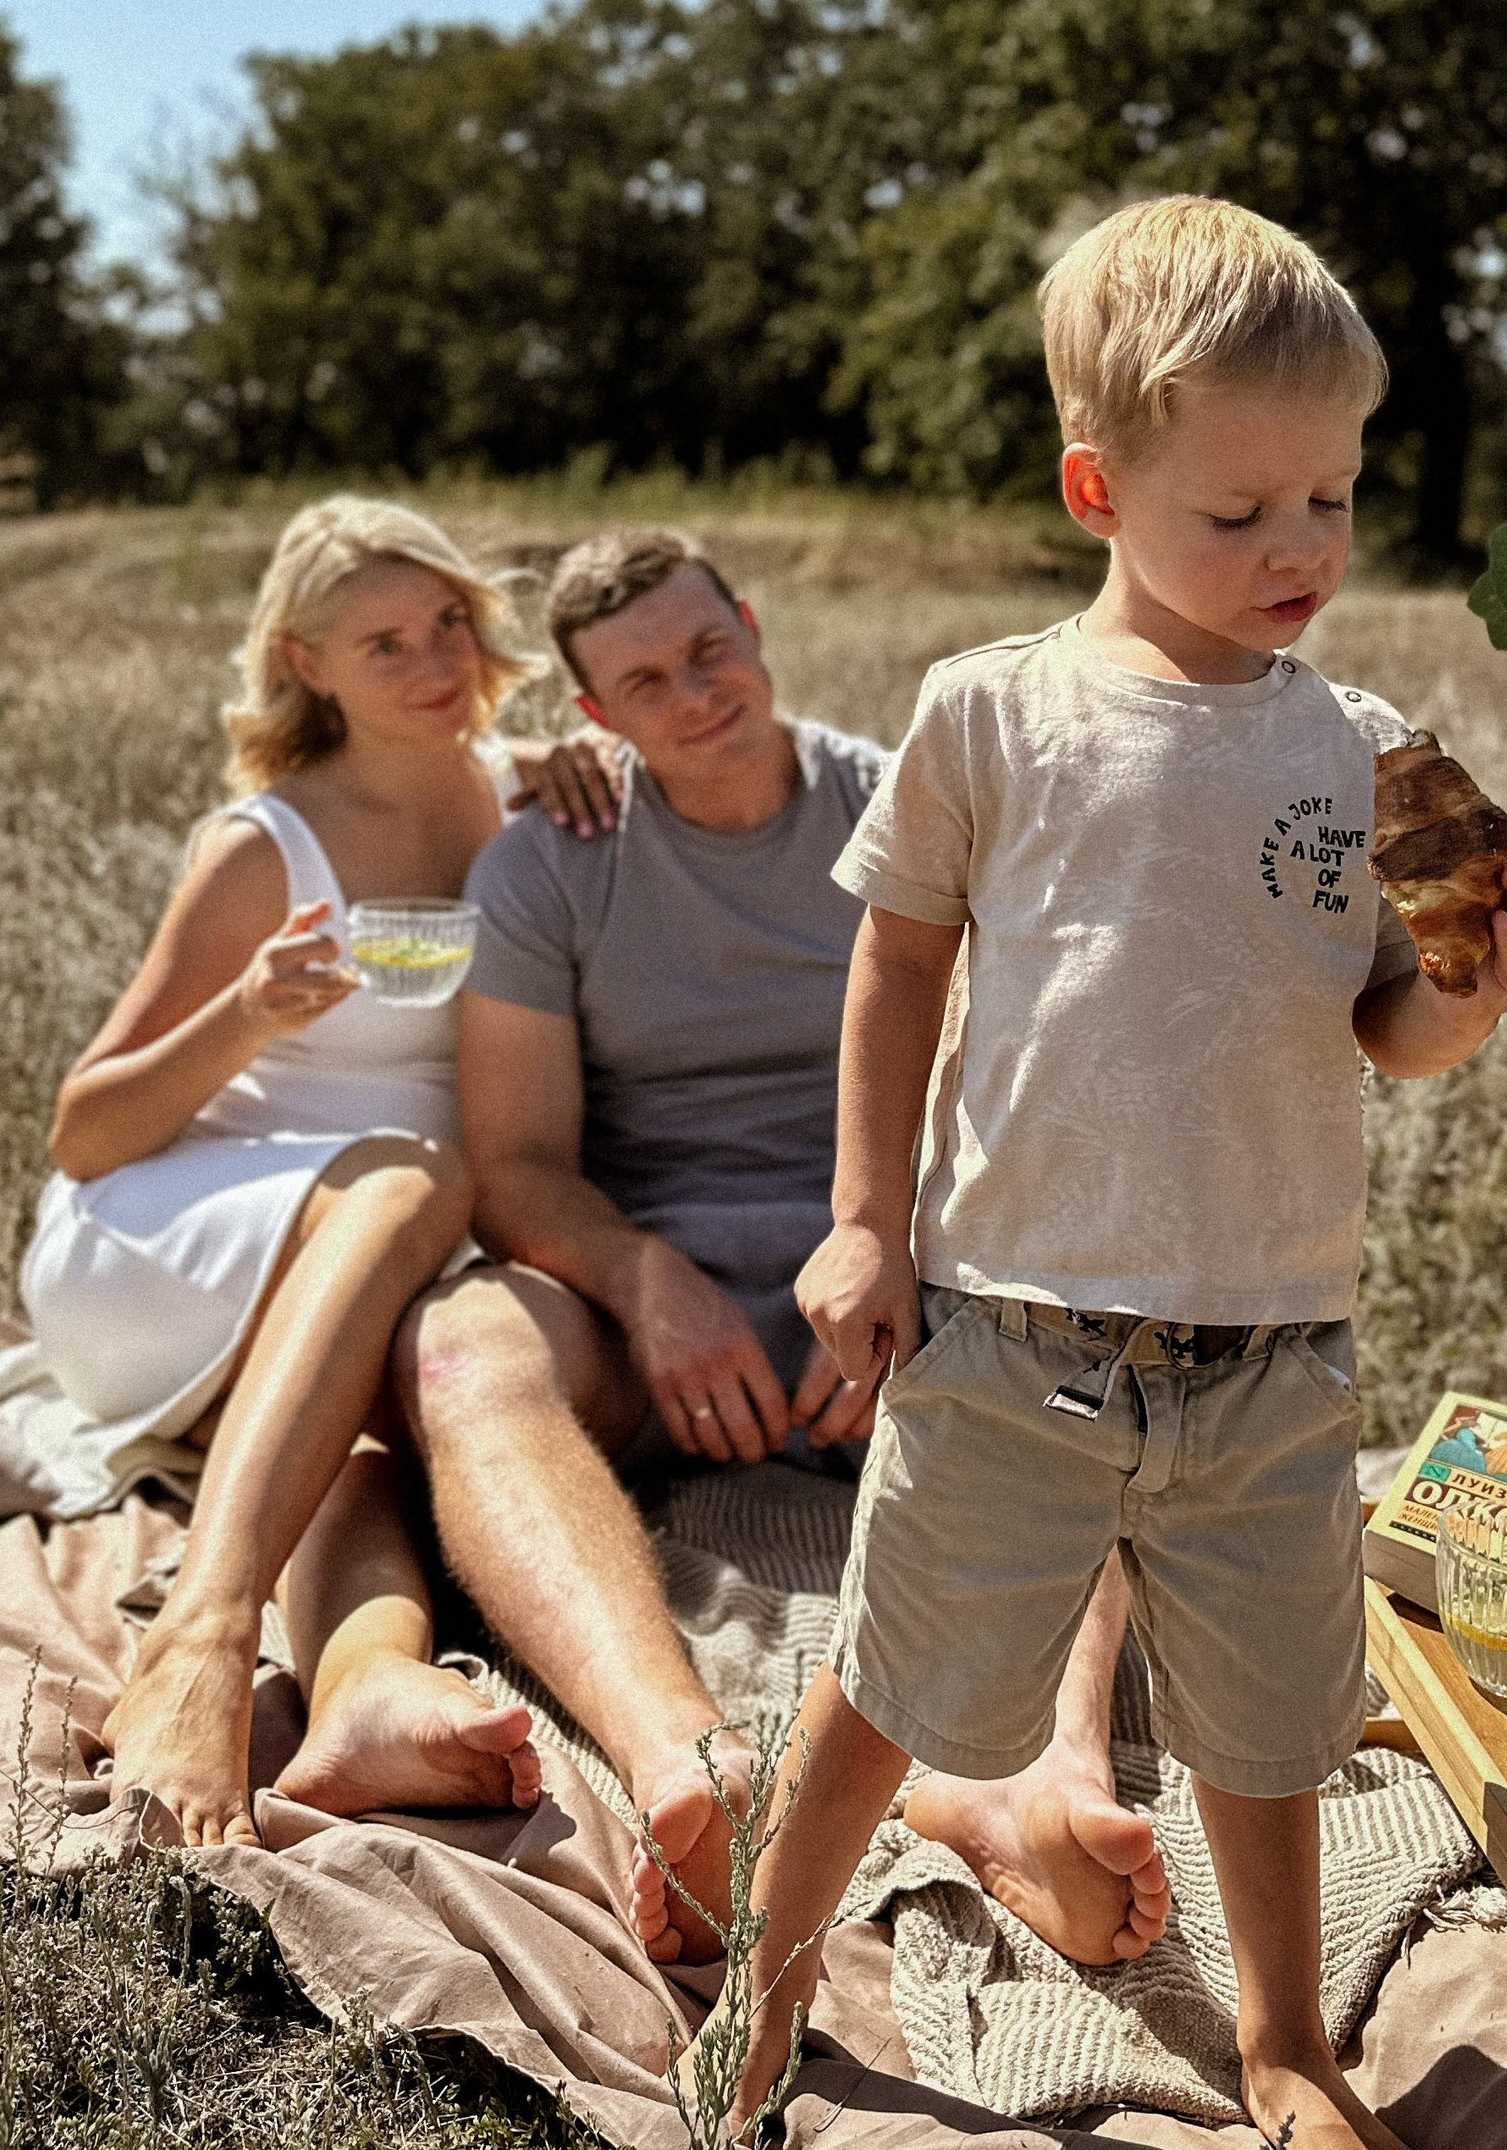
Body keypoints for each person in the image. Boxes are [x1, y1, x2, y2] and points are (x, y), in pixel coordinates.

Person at [712, 197, 1507, 2150]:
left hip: (1270, 1341)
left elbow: (1383, 1034)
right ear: (1098, 487)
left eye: (1333, 500)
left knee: (1269, 1724)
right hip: (1014, 1322)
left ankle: (1281, 2050)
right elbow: (898, 962)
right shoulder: (993, 710)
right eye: (1238, 508)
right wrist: (860, 1221)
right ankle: (756, 1974)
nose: (1300, 551)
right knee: (890, 1678)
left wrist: (1470, 988)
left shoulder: (1359, 754)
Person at [391, 526, 1170, 1971]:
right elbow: (514, 1165)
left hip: (908, 1254)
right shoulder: (549, 862)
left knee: (1096, 1344)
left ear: (752, 622)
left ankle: (1046, 1777)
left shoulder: (909, 798)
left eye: (711, 647)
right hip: (656, 1299)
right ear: (594, 715)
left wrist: (905, 1269)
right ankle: (685, 1762)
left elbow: (1028, 1086)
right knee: (461, 1342)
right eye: (647, 679)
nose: (699, 691)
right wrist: (641, 1278)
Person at [24, 495, 617, 1846]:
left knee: (374, 1424)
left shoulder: (526, 792)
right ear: (308, 661)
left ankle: (365, 1688)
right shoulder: (264, 845)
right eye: (386, 641)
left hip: (359, 1258)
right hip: (165, 1237)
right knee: (412, 1176)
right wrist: (244, 1011)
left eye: (451, 623)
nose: (436, 663)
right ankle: (203, 1632)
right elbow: (83, 1132)